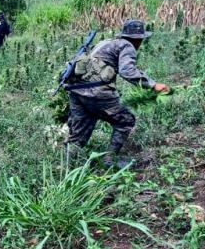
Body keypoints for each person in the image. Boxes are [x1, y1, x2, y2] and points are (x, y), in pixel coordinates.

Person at [63, 20, 169, 167]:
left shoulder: (106, 43)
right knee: (126, 121)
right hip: (97, 92)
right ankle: (109, 159)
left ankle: (66, 169)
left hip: (77, 91)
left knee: (79, 133)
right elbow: (127, 71)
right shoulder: (127, 46)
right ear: (139, 39)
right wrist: (153, 85)